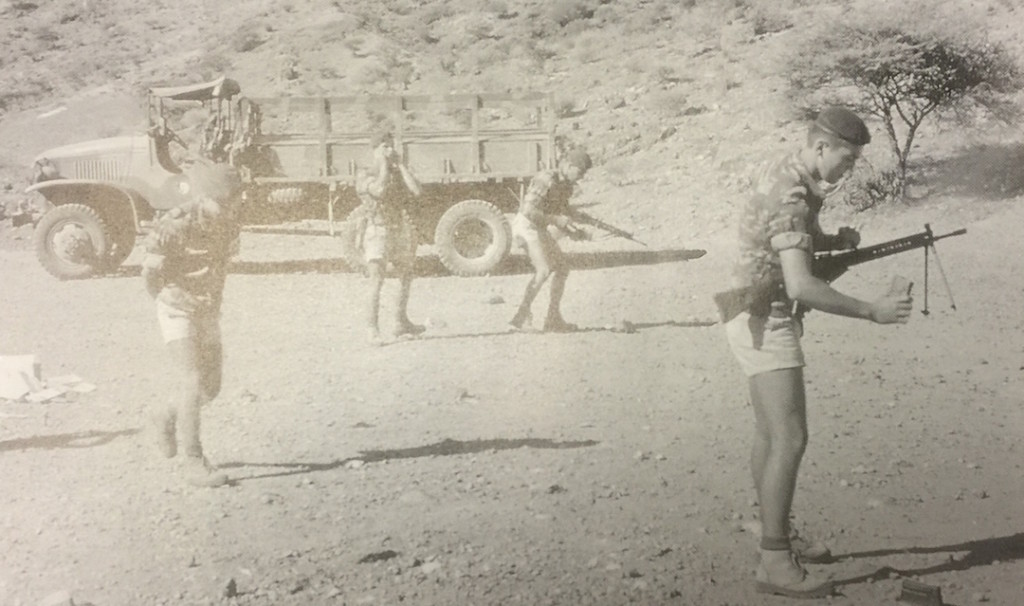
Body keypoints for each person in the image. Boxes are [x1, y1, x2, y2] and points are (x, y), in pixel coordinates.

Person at [716, 106, 913, 598]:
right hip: (767, 318)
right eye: (845, 158)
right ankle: (775, 562)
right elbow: (801, 284)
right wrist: (872, 310)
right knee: (791, 438)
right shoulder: (794, 194)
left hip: (747, 311)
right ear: (821, 147)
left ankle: (773, 530)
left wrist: (829, 241)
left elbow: (786, 244)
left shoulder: (785, 170)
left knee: (770, 433)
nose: (848, 169)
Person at [142, 161, 242, 488]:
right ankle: (193, 460)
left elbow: (221, 267)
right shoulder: (175, 224)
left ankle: (167, 415)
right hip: (176, 307)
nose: (230, 206)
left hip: (207, 308)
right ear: (204, 197)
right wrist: (168, 297)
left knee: (211, 388)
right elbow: (150, 274)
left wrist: (214, 308)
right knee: (192, 378)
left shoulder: (230, 223)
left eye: (234, 199)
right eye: (223, 201)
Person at [509, 148, 591, 333]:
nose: (580, 177)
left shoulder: (566, 185)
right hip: (526, 226)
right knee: (544, 270)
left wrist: (578, 223)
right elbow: (528, 211)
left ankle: (553, 318)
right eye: (580, 172)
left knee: (562, 268)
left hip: (539, 227)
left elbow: (562, 210)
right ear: (569, 166)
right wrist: (557, 220)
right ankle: (521, 317)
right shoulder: (545, 179)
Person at [356, 131, 424, 345]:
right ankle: (372, 329)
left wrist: (401, 166)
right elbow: (379, 190)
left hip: (398, 228)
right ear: (375, 149)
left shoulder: (396, 171)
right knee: (376, 280)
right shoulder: (365, 173)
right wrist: (384, 165)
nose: (390, 150)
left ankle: (400, 321)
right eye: (385, 146)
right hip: (377, 230)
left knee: (406, 275)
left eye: (392, 146)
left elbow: (417, 191)